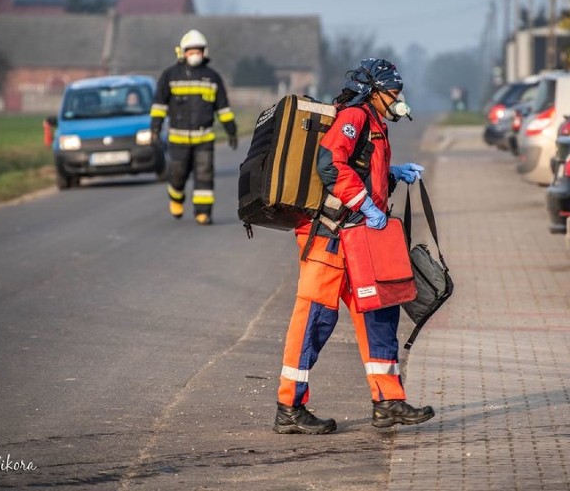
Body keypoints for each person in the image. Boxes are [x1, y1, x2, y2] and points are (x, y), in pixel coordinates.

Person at [274, 58, 434, 435]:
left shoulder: (376, 122)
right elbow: (330, 163)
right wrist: (364, 204)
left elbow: (362, 167)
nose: (398, 99)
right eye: (393, 93)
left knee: (379, 316)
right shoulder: (355, 116)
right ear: (375, 92)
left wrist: (392, 174)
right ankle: (289, 407)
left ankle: (388, 402)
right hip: (330, 240)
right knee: (316, 319)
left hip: (359, 240)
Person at [150, 29, 237, 225]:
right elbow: (159, 105)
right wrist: (155, 128)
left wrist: (231, 130)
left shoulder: (212, 77)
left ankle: (203, 213)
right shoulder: (169, 76)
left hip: (204, 138)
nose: (194, 54)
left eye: (198, 50)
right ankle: (176, 198)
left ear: (204, 52)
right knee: (177, 174)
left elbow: (223, 107)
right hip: (178, 139)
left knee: (204, 175)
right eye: (191, 51)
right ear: (182, 52)